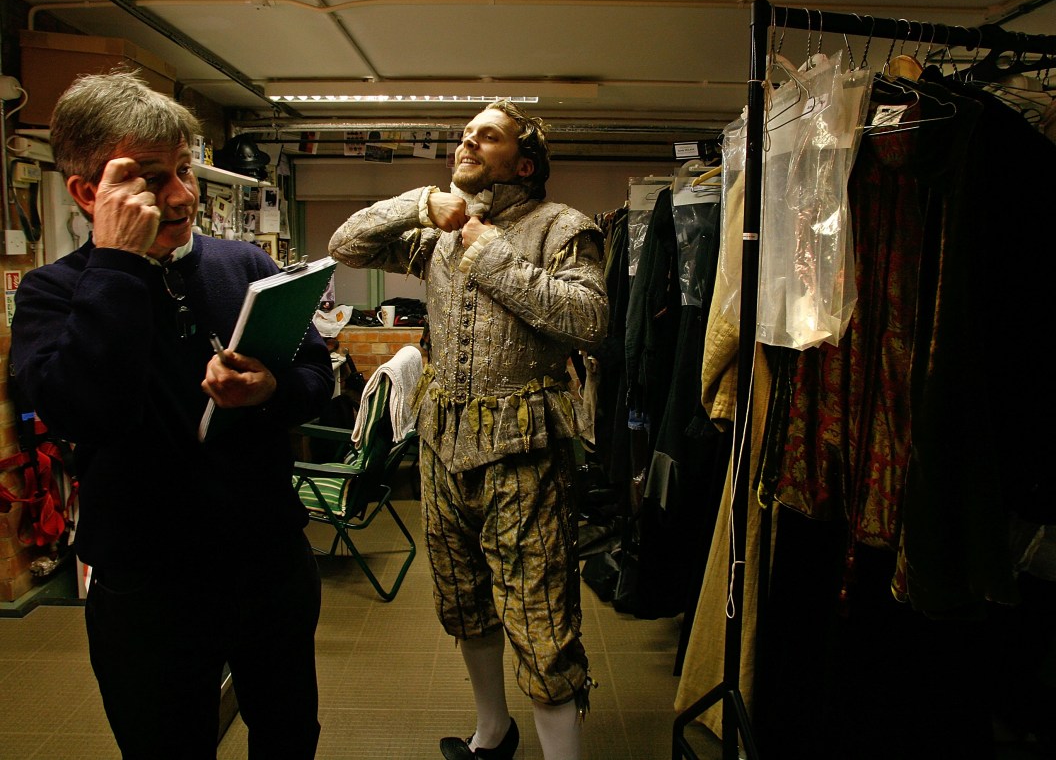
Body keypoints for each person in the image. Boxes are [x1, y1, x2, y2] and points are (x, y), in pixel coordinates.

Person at [9, 71, 333, 759]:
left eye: (184, 169)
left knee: (289, 736)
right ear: (89, 193)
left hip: (267, 563)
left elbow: (323, 378)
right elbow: (83, 410)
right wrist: (120, 263)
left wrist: (272, 387)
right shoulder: (52, 293)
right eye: (153, 178)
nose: (183, 196)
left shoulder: (244, 262)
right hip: (148, 586)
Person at [329, 100, 608, 760]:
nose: (469, 142)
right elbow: (346, 244)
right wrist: (422, 201)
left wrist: (493, 258)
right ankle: (494, 731)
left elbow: (591, 320)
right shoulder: (438, 229)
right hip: (442, 440)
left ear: (525, 160)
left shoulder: (562, 227)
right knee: (461, 595)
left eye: (489, 135)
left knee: (540, 618)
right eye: (465, 134)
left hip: (526, 451)